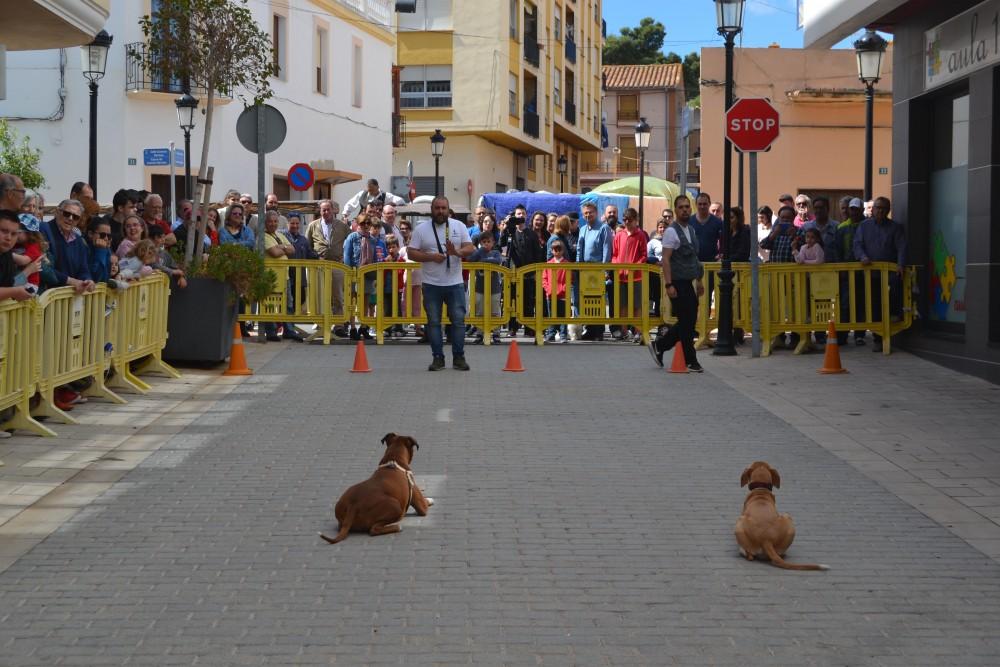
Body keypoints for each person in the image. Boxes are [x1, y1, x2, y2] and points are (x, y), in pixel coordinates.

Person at [405, 196, 474, 371]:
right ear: (432, 210)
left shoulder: (459, 226)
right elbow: (411, 253)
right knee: (433, 322)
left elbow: (470, 248)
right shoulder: (422, 229)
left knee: (458, 321)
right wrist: (431, 257)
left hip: (455, 283)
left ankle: (459, 358)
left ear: (448, 210)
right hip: (431, 284)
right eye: (437, 208)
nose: (440, 211)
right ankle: (438, 358)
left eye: (443, 208)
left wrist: (456, 252)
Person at [648, 195, 705, 372]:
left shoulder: (691, 230)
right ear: (675, 210)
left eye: (687, 207)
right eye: (681, 207)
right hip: (677, 282)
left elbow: (694, 258)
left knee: (687, 321)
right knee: (686, 323)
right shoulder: (672, 231)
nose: (685, 210)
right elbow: (665, 259)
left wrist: (699, 281)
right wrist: (668, 284)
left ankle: (660, 345)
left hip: (689, 282)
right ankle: (690, 360)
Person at [853, 196, 906, 353]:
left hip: (890, 271)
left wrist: (901, 265)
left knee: (893, 293)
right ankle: (877, 339)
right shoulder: (864, 226)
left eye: (884, 208)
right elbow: (857, 244)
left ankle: (894, 314)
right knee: (874, 304)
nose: (880, 211)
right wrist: (862, 257)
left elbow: (902, 247)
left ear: (888, 210)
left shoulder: (896, 228)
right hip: (871, 273)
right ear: (873, 209)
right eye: (877, 207)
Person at [305, 199, 351, 337]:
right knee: (320, 295)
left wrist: (344, 258)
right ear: (320, 212)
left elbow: (349, 242)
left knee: (337, 296)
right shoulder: (313, 225)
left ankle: (339, 325)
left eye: (328, 209)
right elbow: (308, 245)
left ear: (333, 211)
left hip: (337, 265)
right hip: (319, 266)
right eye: (323, 210)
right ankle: (321, 323)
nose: (326, 212)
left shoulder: (342, 226)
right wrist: (314, 257)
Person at [500, 204, 545, 338]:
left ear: (526, 216)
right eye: (518, 214)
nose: (520, 216)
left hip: (529, 273)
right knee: (511, 302)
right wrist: (506, 227)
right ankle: (512, 328)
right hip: (512, 273)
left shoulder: (531, 233)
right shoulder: (509, 231)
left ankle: (529, 329)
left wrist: (537, 272)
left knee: (528, 302)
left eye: (523, 214)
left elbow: (537, 253)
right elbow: (500, 245)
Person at [343, 213, 388, 340]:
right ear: (358, 223)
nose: (366, 226)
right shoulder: (352, 237)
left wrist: (374, 273)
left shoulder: (373, 239)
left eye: (368, 223)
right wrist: (350, 272)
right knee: (353, 300)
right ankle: (352, 327)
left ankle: (363, 326)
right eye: (363, 223)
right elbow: (347, 256)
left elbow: (374, 257)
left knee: (366, 301)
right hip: (354, 272)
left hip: (368, 274)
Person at [261, 210, 302, 341]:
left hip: (285, 276)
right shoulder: (263, 236)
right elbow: (274, 252)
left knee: (288, 304)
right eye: (270, 221)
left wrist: (281, 246)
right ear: (265, 223)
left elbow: (293, 249)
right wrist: (284, 248)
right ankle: (271, 332)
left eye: (275, 221)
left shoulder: (279, 235)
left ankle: (289, 330)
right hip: (270, 277)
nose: (273, 224)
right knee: (270, 305)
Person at [610, 207, 649, 342]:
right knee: (622, 305)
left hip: (636, 276)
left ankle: (637, 331)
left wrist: (634, 267)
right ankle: (624, 331)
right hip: (621, 276)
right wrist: (616, 265)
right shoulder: (619, 235)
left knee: (637, 305)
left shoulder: (641, 235)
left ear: (636, 220)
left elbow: (644, 255)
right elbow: (614, 254)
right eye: (625, 219)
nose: (627, 222)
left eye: (630, 220)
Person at [576, 201, 612, 340]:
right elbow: (579, 249)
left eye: (590, 212)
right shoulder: (583, 229)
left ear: (596, 213)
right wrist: (578, 267)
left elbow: (606, 249)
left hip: (598, 270)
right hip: (585, 270)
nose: (588, 215)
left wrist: (605, 270)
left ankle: (598, 331)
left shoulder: (604, 228)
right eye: (585, 213)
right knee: (587, 299)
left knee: (598, 299)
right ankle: (589, 329)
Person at [835, 198, 867, 346]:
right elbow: (838, 250)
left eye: (856, 209)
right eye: (851, 209)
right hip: (846, 272)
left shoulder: (867, 226)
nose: (853, 212)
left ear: (861, 210)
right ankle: (842, 334)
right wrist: (840, 269)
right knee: (844, 304)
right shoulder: (842, 228)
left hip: (863, 272)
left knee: (861, 302)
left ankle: (860, 334)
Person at [467, 232, 504, 345]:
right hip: (479, 287)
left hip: (494, 288)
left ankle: (496, 333)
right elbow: (470, 259)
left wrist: (483, 261)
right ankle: (479, 333)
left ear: (493, 242)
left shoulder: (496, 252)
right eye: (484, 242)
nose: (486, 244)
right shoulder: (478, 253)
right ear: (480, 243)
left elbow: (497, 261)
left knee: (495, 311)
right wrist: (480, 251)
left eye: (489, 242)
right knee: (479, 311)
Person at [0, 209, 36, 303]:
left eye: (14, 234)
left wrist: (20, 291)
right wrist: (15, 291)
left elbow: (10, 284)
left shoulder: (7, 254)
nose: (9, 238)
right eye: (4, 231)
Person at [397, 218, 424, 340]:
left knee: (417, 304)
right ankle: (403, 324)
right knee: (404, 302)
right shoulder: (403, 250)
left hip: (419, 280)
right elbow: (398, 262)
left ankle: (418, 327)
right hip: (407, 281)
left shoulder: (420, 252)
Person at [542, 239, 571, 343]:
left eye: (559, 250)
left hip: (563, 294)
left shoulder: (567, 264)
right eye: (555, 250)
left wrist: (564, 289)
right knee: (552, 315)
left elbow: (570, 279)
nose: (557, 252)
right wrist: (548, 289)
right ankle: (551, 334)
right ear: (552, 251)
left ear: (562, 251)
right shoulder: (548, 264)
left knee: (563, 315)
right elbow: (544, 279)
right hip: (550, 294)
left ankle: (563, 335)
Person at [647, 220, 667, 324]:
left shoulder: (672, 240)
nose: (662, 229)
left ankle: (666, 323)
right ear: (657, 228)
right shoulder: (652, 242)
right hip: (656, 273)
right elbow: (647, 255)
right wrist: (656, 261)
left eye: (664, 227)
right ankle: (658, 321)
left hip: (669, 273)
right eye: (660, 227)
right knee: (658, 297)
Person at [86, 217, 113, 283]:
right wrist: (100, 251)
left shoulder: (107, 250)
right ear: (90, 234)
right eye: (102, 235)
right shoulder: (84, 249)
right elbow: (95, 278)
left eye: (109, 236)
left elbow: (105, 278)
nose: (106, 239)